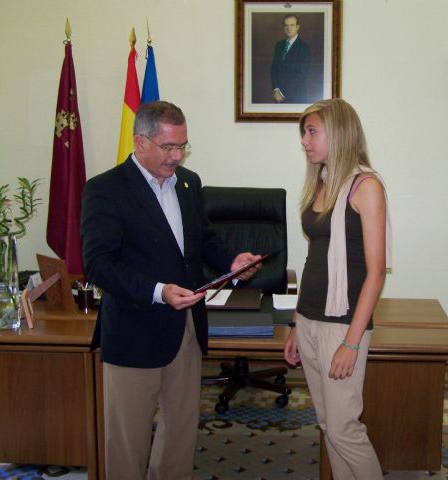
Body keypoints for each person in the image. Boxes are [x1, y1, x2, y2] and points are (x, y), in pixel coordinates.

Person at [81, 100, 260, 480]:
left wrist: (232, 262)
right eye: (168, 147)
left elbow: (202, 239)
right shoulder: (105, 189)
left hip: (186, 329)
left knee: (180, 430)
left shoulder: (188, 183)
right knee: (128, 440)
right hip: (133, 330)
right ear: (140, 142)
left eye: (182, 146)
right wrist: (158, 291)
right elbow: (98, 264)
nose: (177, 156)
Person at [284, 98, 391, 479]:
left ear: (339, 133)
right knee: (329, 424)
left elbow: (376, 273)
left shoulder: (366, 186)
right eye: (304, 133)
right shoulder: (323, 182)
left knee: (345, 429)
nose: (305, 141)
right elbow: (314, 260)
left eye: (312, 132)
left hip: (342, 325)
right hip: (310, 319)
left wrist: (351, 341)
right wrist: (296, 323)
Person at [270, 14, 310, 103]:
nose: (289, 28)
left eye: (292, 25)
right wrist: (276, 89)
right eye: (286, 25)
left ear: (297, 27)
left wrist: (282, 93)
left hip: (296, 97)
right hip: (278, 97)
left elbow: (301, 75)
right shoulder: (279, 45)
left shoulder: (304, 47)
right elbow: (273, 69)